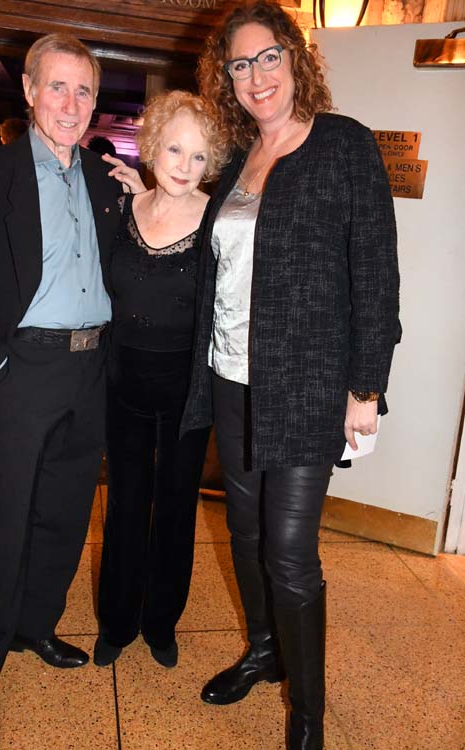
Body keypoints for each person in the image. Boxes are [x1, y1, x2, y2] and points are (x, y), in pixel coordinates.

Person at [180, 1, 402, 748]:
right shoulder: (242, 156)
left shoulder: (344, 145)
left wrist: (366, 387)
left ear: (295, 58)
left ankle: (308, 712)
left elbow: (374, 275)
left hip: (308, 384)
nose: (255, 76)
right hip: (232, 377)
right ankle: (267, 652)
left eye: (267, 56)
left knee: (289, 552)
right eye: (239, 65)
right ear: (228, 80)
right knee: (243, 533)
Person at [0, 33, 122, 750]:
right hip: (23, 370)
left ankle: (35, 627)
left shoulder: (102, 177)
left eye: (83, 90)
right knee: (3, 527)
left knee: (63, 515)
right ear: (28, 91)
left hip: (90, 371)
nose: (70, 103)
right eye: (56, 87)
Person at [93, 90, 228, 670]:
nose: (184, 165)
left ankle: (161, 621)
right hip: (122, 385)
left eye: (199, 157)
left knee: (174, 510)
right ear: (152, 147)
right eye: (175, 148)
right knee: (124, 504)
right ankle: (117, 620)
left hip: (186, 396)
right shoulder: (123, 207)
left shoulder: (221, 222)